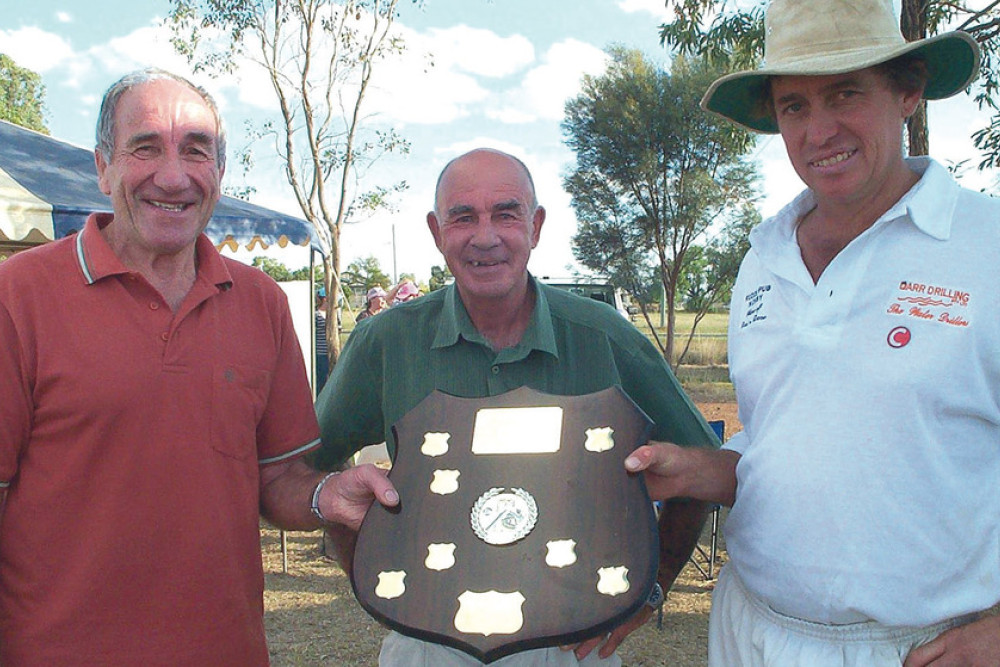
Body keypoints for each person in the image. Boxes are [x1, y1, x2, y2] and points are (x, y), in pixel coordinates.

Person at [626, 0, 1000, 664]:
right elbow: (785, 436)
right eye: (794, 105)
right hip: (750, 629)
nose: (819, 130)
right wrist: (706, 468)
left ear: (908, 91)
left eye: (845, 93)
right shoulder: (762, 256)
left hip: (918, 647)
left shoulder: (986, 246)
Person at [0, 68, 397, 665]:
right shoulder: (17, 296)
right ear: (103, 167)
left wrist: (329, 495)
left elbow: (278, 479)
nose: (173, 175)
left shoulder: (260, 301)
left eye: (195, 151)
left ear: (218, 173)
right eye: (145, 148)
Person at [314, 147, 720, 666]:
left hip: (572, 640)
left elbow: (701, 468)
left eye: (506, 213)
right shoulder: (386, 341)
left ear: (536, 225)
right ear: (438, 232)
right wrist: (368, 578)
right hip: (430, 637)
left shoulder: (603, 338)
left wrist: (653, 587)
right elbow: (316, 468)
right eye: (464, 218)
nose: (485, 237)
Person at [316, 287, 330, 394]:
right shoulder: (316, 315)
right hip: (320, 353)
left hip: (330, 352)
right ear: (325, 299)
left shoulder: (333, 314)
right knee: (322, 379)